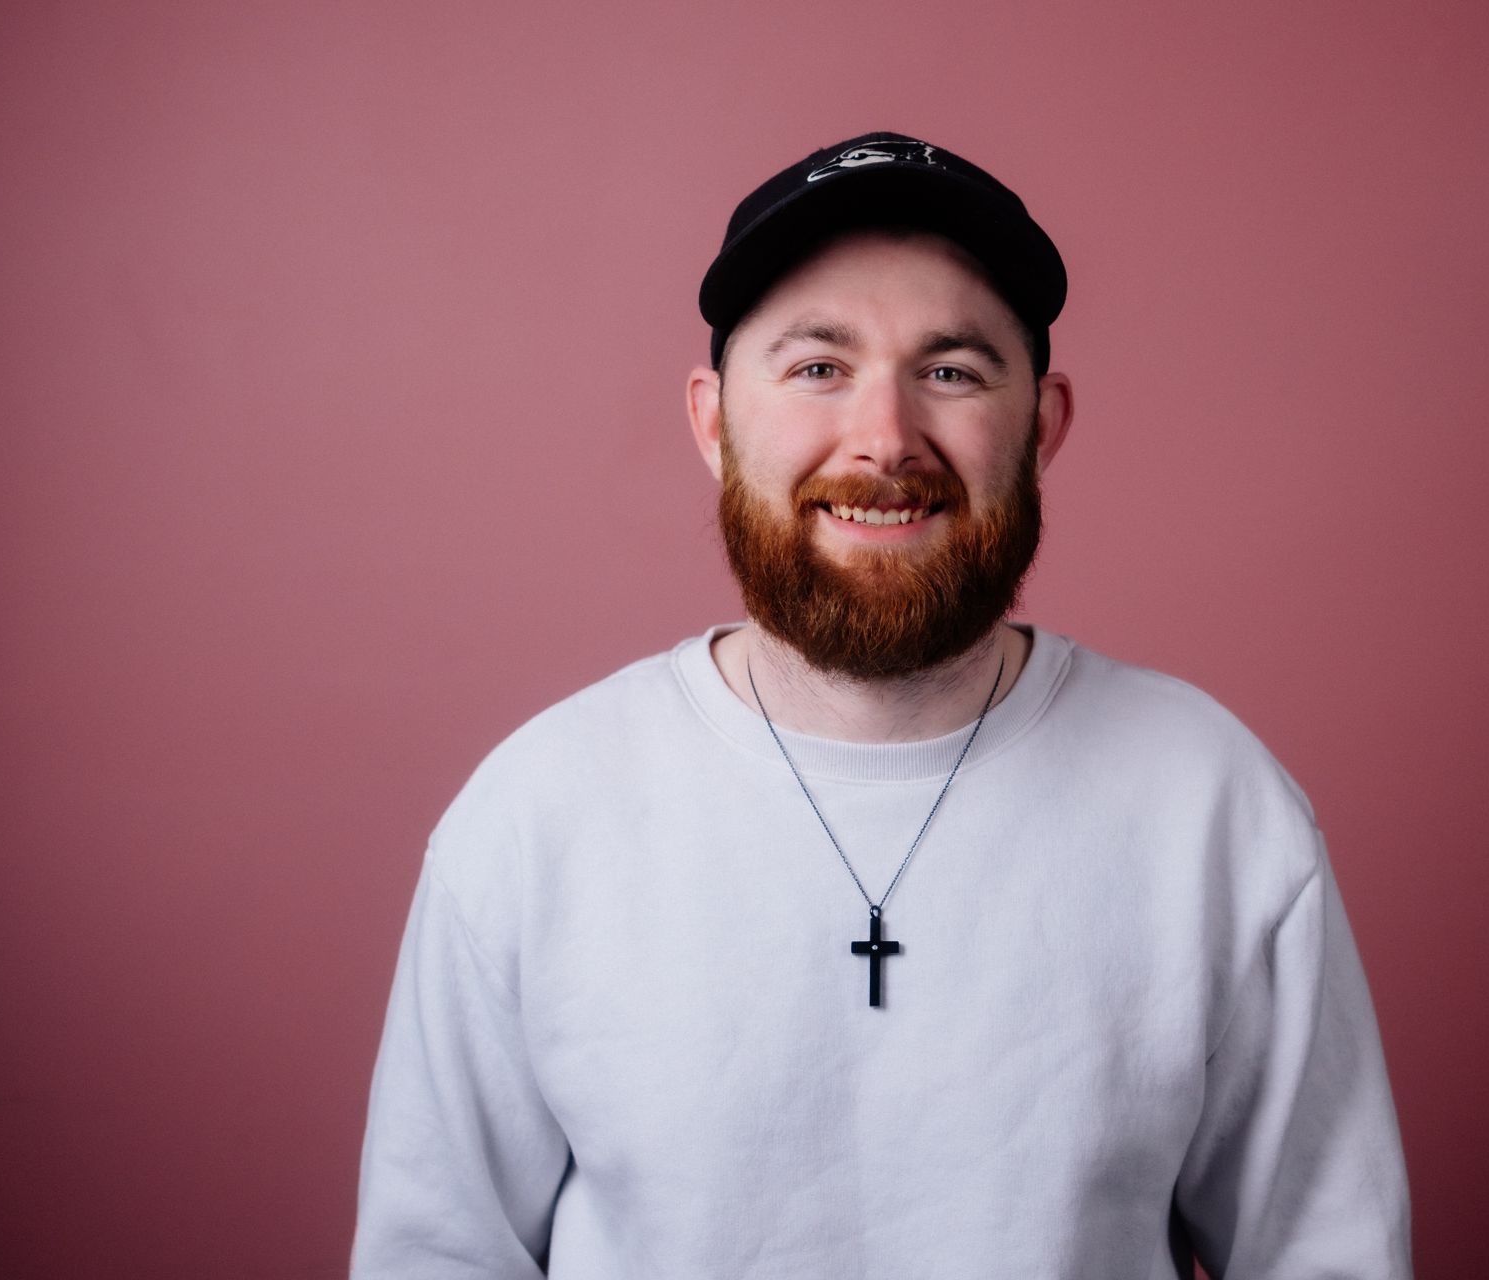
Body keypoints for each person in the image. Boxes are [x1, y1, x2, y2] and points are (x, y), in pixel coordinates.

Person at [352, 131, 1412, 1279]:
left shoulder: (1214, 805)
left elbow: (1329, 1255)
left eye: (950, 370)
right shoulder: (532, 819)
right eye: (818, 367)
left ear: (1044, 426)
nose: (885, 440)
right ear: (713, 422)